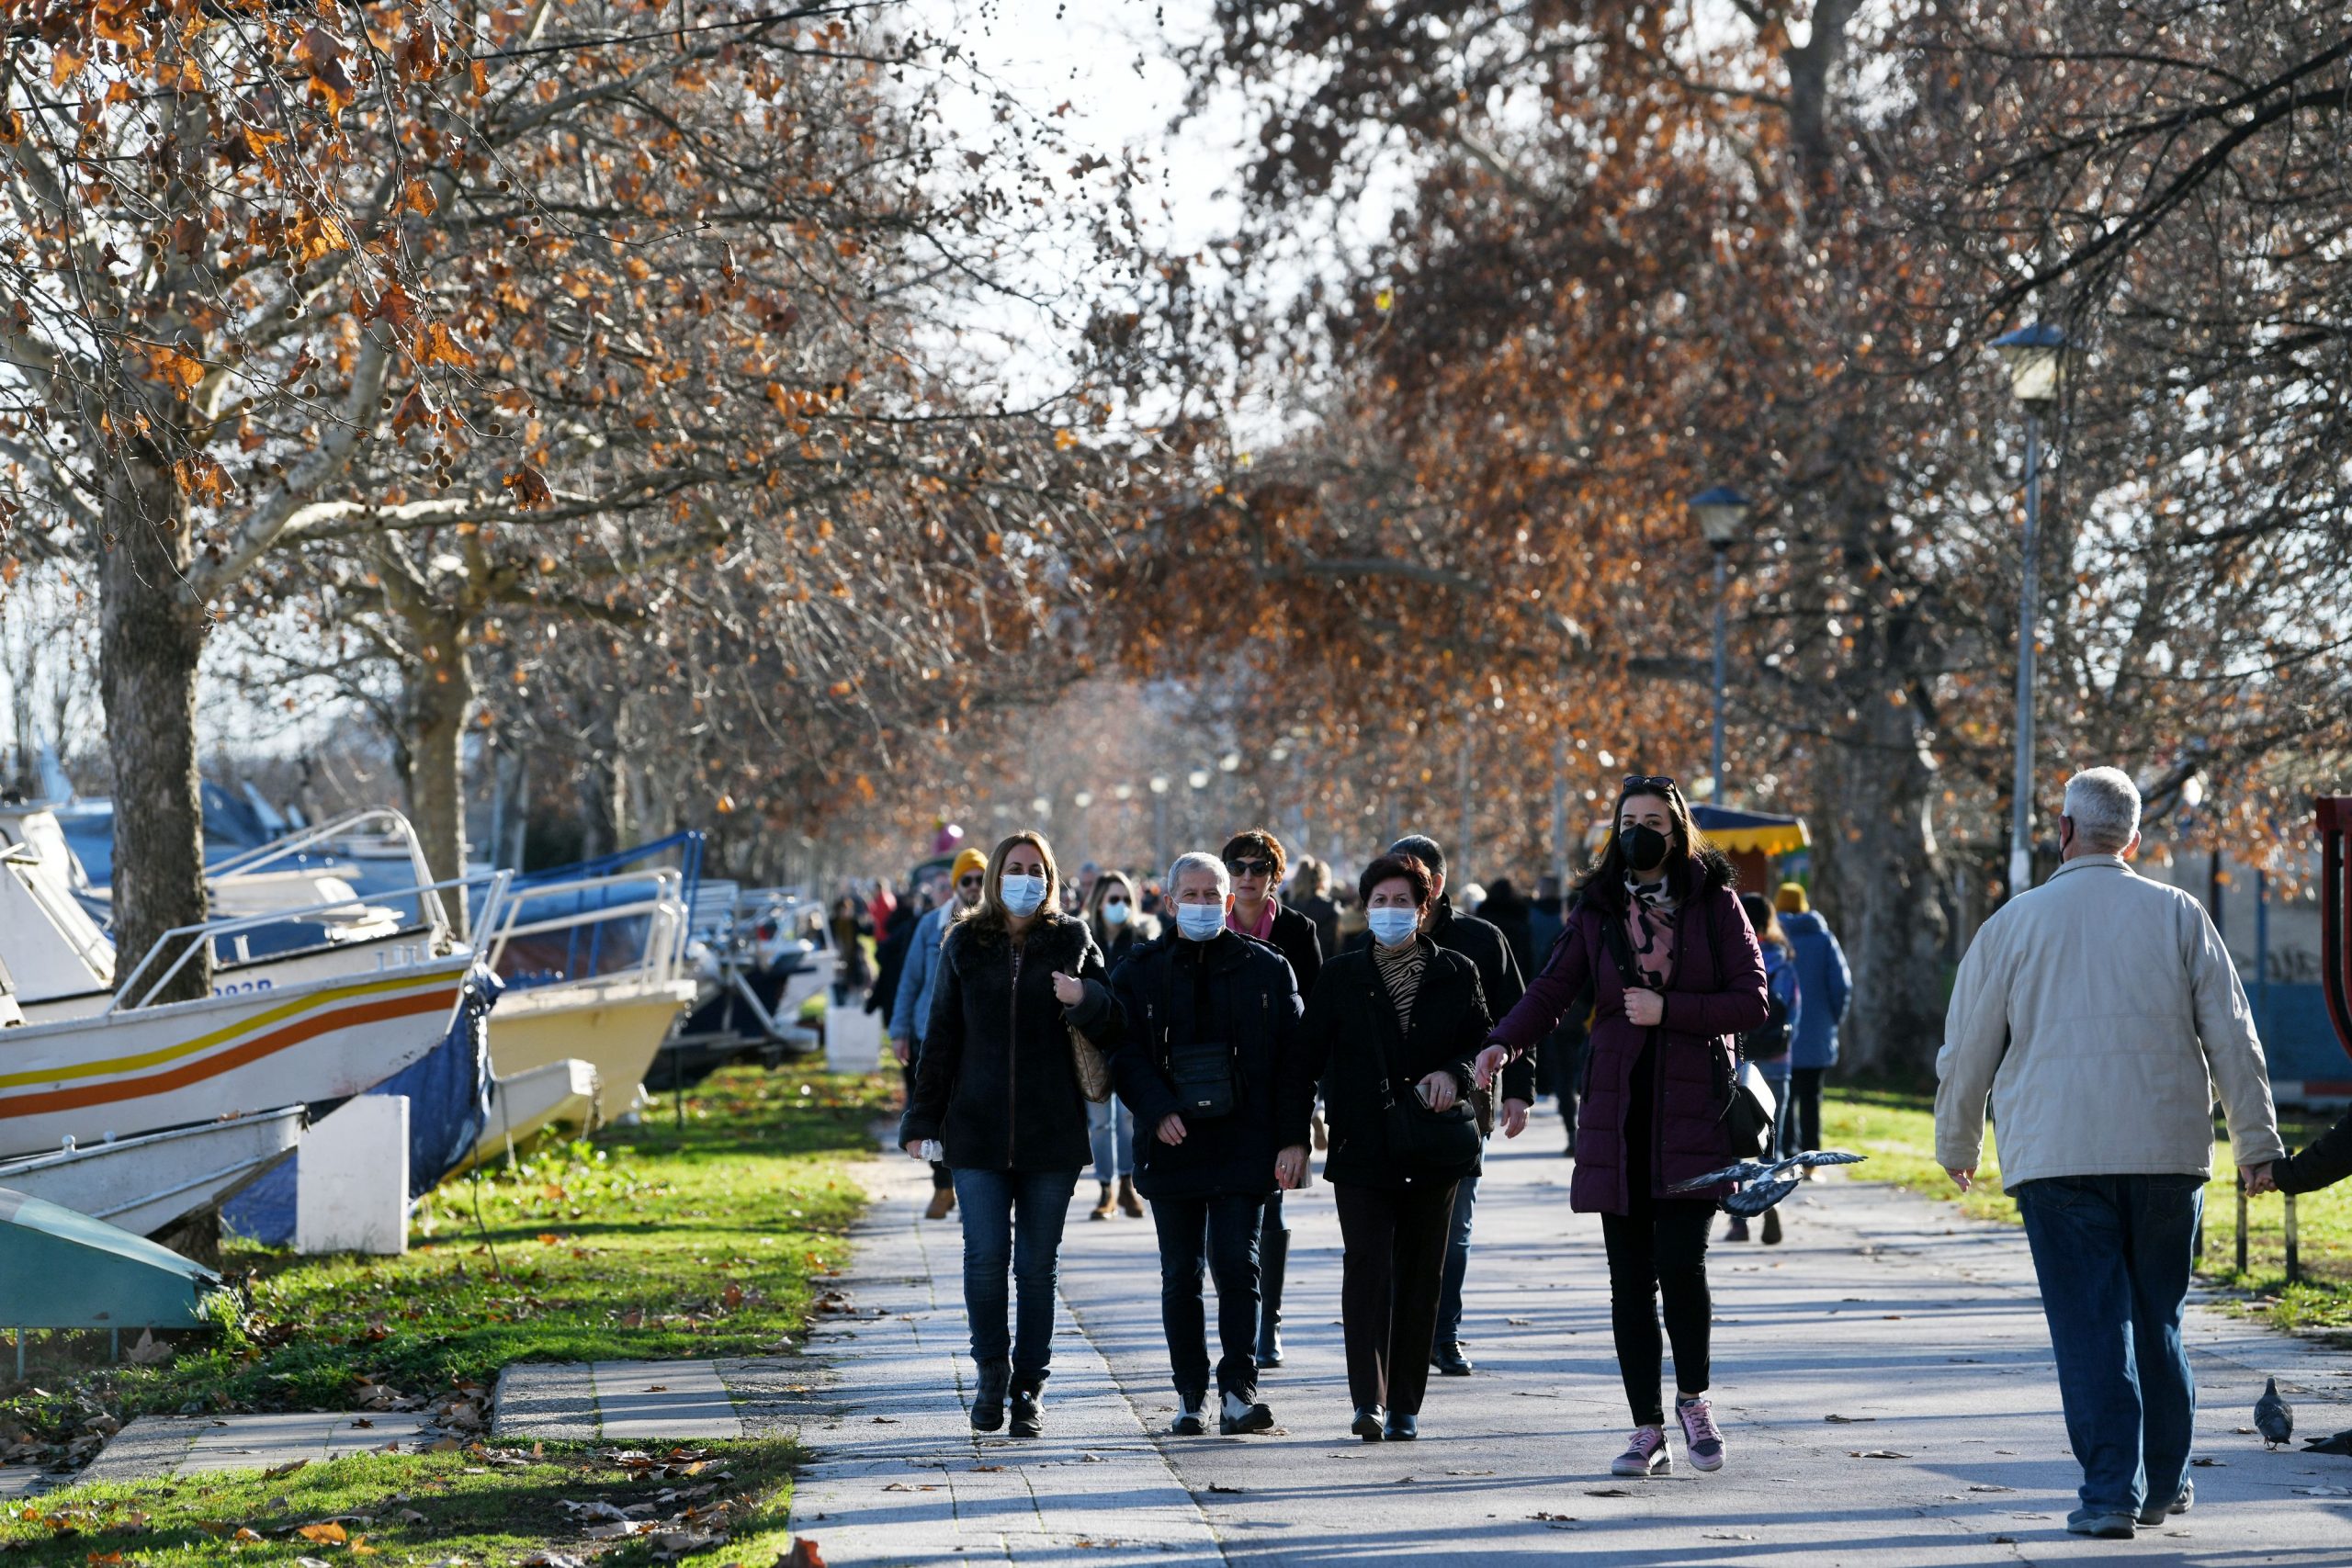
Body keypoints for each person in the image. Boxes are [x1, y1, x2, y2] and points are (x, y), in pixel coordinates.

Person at [1935, 767, 2283, 1539]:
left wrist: (1957, 1139)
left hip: (2057, 1158)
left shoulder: (2013, 924)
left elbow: (1968, 1050)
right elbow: (2233, 1032)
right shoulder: (2179, 914)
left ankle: (2107, 1494)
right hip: (2167, 1153)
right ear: (2134, 837)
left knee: (2093, 1327)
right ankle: (2163, 1483)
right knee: (2157, 1319)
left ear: (2063, 831)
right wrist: (2256, 1142)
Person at [1474, 775, 1767, 1478]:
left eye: (1655, 820)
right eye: (1628, 819)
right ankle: (1646, 1429)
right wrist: (1501, 1042)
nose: (1640, 831)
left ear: (1679, 829)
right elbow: (1552, 989)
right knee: (1629, 1283)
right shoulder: (1598, 909)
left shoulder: (1716, 903)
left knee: (1681, 1265)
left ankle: (1694, 1399)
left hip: (1695, 1113)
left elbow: (1753, 998)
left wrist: (1672, 1012)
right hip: (1618, 1115)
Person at [901, 831, 1114, 1438]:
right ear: (995, 876)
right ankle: (991, 1370)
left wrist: (1084, 997)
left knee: (1036, 1266)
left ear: (1050, 878)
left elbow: (1113, 1014)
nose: (1025, 878)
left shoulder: (1071, 937)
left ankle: (1030, 1386)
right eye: (1015, 868)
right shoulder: (964, 941)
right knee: (986, 1255)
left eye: (1036, 869)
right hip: (976, 1130)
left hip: (1052, 1133)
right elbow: (940, 1034)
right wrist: (921, 1119)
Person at [1278, 852, 1490, 1442]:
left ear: (1423, 911)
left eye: (1402, 902)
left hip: (1433, 1143)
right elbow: (1303, 1061)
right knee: (1367, 1268)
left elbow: (1483, 1044)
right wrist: (1294, 1136)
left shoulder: (1456, 971)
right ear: (1363, 908)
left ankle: (1405, 1404)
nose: (1390, 912)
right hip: (1362, 1143)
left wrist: (1455, 1072)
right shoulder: (1342, 975)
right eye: (1380, 902)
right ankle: (1366, 1400)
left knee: (1422, 1273)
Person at [1100, 852, 1303, 1435]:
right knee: (1180, 1274)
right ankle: (1190, 1394)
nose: (1205, 905)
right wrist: (1156, 1106)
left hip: (1246, 1143)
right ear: (1168, 903)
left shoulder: (1267, 968)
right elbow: (1121, 1049)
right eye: (1192, 895)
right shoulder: (1139, 971)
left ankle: (1239, 1389)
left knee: (1239, 1266)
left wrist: (1292, 1139)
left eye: (1213, 894)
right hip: (1172, 1143)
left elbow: (1294, 1063)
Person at [1386, 833, 1533, 1379]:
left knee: (1453, 1225)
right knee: (1395, 1225)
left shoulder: (1480, 939)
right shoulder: (1371, 941)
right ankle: (1402, 1329)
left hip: (1464, 1107)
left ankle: (1441, 1333)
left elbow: (1518, 1016)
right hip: (1389, 1106)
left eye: (1416, 882)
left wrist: (1519, 1088)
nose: (1402, 898)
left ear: (1438, 884)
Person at [1221, 829, 1324, 1370]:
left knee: (1272, 1204)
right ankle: (1236, 1317)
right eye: (1237, 866)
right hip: (1216, 1089)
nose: (1247, 876)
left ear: (1274, 875)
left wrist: (1309, 1100)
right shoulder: (1209, 921)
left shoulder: (1297, 931)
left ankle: (1268, 1322)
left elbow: (1313, 1016)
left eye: (1258, 867)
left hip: (1279, 1085)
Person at [892, 848, 989, 1218]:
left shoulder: (995, 927)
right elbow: (910, 980)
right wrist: (899, 1031)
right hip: (929, 1033)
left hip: (975, 1038)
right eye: (967, 880)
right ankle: (941, 1186)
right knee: (931, 1111)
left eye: (981, 880)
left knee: (966, 1115)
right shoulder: (931, 925)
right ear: (955, 884)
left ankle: (971, 1195)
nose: (974, 887)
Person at [1727, 891, 1800, 1246]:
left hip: (1741, 1066)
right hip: (1777, 1064)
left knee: (1737, 1142)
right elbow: (1794, 1013)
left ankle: (1739, 1219)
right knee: (1774, 1143)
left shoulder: (1734, 957)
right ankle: (1773, 1203)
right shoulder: (1784, 961)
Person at [1083, 872, 1157, 1220]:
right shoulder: (1082, 940)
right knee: (1099, 1122)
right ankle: (1104, 1189)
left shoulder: (1142, 939)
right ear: (1099, 902)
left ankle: (1128, 1184)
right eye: (1113, 899)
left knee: (1129, 1118)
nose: (1120, 907)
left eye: (1126, 899)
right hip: (1092, 1042)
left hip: (1130, 1042)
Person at [1774, 882, 1849, 1170]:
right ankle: (1811, 1161)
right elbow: (1841, 985)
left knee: (1785, 1097)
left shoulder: (1774, 938)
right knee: (1811, 1097)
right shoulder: (1824, 938)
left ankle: (1788, 1156)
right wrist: (1832, 1019)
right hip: (1818, 1032)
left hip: (1780, 1035)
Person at [1292, 855, 1341, 964]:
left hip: (1292, 969)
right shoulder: (1331, 908)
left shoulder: (1287, 906)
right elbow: (1336, 946)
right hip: (1323, 967)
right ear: (1322, 881)